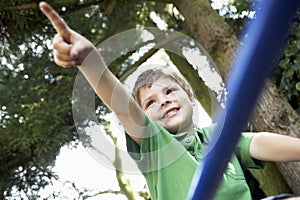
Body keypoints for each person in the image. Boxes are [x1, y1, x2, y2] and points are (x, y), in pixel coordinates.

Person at [39, 2, 300, 200]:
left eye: (169, 92)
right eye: (150, 103)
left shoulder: (216, 138)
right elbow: (122, 106)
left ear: (190, 96)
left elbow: (258, 142)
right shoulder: (155, 146)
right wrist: (89, 61)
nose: (162, 101)